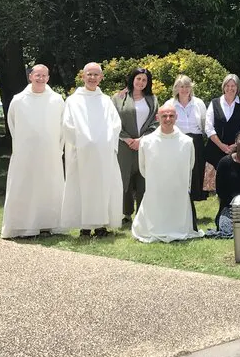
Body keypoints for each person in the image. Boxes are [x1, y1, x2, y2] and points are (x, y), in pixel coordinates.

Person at [1, 64, 65, 239]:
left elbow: (62, 125)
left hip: (49, 153)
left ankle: (50, 224)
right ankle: (24, 226)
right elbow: (12, 124)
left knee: (50, 186)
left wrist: (57, 148)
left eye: (44, 75)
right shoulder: (19, 100)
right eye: (37, 75)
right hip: (26, 153)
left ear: (48, 78)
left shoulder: (57, 100)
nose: (40, 78)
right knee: (25, 186)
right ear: (30, 77)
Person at [61, 62, 124, 237]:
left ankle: (102, 225)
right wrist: (84, 142)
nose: (92, 78)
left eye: (96, 75)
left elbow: (115, 124)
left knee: (103, 188)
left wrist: (105, 142)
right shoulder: (73, 100)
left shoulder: (105, 101)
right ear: (83, 76)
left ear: (101, 78)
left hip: (103, 154)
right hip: (81, 153)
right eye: (89, 74)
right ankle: (85, 226)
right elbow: (67, 125)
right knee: (82, 188)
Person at [132, 105, 204, 243]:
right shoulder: (146, 142)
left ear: (176, 117)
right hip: (156, 190)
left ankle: (178, 227)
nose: (168, 119)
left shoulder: (187, 142)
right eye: (164, 116)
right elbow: (143, 168)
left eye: (171, 115)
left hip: (178, 190)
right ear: (157, 118)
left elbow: (190, 165)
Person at [112, 67, 158, 223]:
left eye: (144, 80)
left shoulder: (152, 99)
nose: (141, 82)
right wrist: (127, 139)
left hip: (145, 145)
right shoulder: (118, 98)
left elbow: (155, 122)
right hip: (124, 145)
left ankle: (142, 213)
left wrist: (142, 140)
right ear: (132, 79)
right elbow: (113, 121)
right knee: (124, 177)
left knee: (143, 178)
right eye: (138, 78)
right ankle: (125, 214)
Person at [163, 75, 207, 230]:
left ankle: (191, 208)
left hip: (196, 141)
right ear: (176, 88)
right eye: (181, 86)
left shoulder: (199, 103)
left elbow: (204, 123)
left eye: (187, 86)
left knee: (195, 173)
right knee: (179, 173)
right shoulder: (170, 104)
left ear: (191, 88)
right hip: (177, 141)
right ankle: (178, 206)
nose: (184, 89)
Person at [205, 74, 240, 170]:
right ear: (223, 87)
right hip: (214, 150)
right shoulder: (214, 103)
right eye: (227, 85)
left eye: (233, 86)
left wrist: (235, 145)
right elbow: (208, 127)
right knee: (212, 184)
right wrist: (221, 146)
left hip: (236, 151)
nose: (230, 88)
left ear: (237, 87)